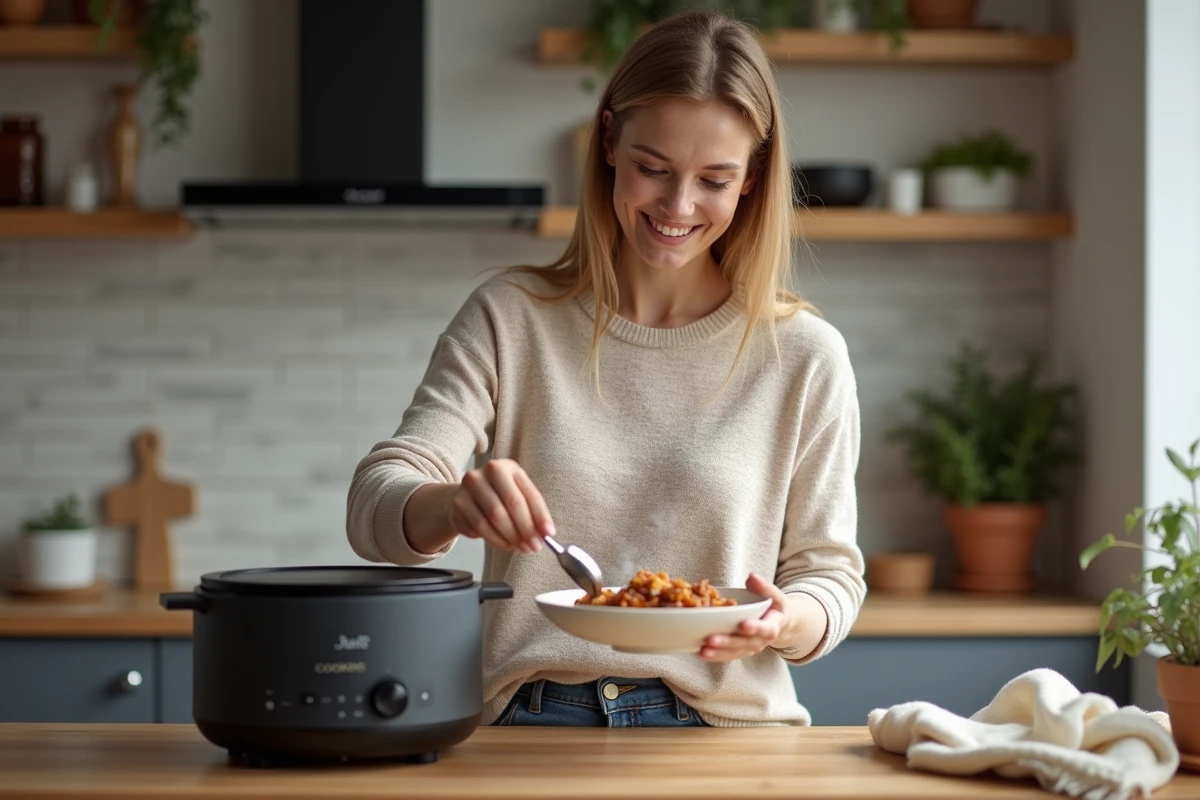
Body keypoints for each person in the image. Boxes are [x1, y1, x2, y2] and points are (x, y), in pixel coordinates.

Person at [345, 9, 865, 728]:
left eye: (714, 179)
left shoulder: (805, 355)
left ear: (752, 180)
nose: (678, 207)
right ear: (610, 142)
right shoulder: (510, 317)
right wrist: (451, 504)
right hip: (527, 719)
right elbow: (374, 505)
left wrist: (786, 622)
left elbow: (829, 575)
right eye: (654, 169)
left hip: (727, 732)